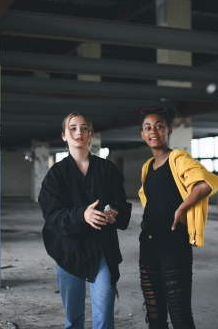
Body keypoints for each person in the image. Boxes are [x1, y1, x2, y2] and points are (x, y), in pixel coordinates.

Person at [38, 112, 132, 329]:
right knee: (73, 317)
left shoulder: (106, 169)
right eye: (72, 128)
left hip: (103, 249)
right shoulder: (56, 175)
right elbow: (51, 216)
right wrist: (82, 215)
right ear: (64, 135)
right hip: (69, 250)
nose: (78, 132)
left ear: (90, 134)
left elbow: (119, 200)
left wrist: (115, 212)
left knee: (104, 314)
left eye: (84, 128)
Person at [137, 106, 218, 329]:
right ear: (142, 134)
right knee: (155, 317)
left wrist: (182, 208)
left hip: (174, 245)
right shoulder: (147, 167)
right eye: (148, 127)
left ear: (169, 130)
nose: (153, 131)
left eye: (159, 126)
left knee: (180, 315)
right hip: (148, 246)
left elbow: (204, 184)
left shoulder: (178, 158)